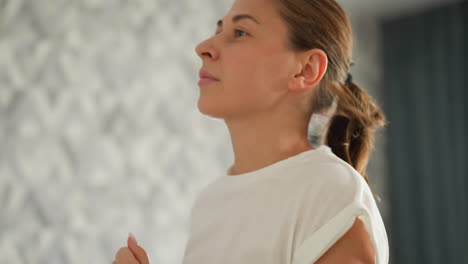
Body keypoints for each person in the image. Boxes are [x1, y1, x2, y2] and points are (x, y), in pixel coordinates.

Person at [113, 0, 388, 263]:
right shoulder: (210, 204)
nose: (203, 47)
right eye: (218, 30)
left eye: (240, 32)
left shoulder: (330, 191)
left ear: (305, 70)